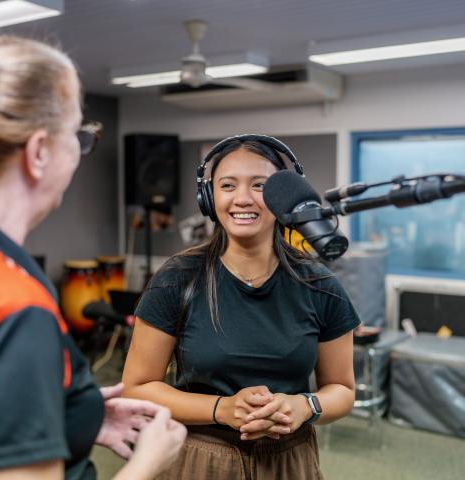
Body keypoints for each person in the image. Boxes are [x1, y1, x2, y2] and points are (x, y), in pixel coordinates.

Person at [0, 36, 186, 480]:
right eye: (78, 134)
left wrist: (73, 414)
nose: (79, 150)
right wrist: (149, 463)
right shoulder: (11, 311)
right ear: (38, 152)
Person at [122, 134, 360, 479]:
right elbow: (137, 386)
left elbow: (342, 389)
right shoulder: (178, 278)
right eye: (228, 185)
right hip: (199, 458)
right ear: (209, 197)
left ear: (284, 198)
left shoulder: (320, 285)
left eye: (261, 186)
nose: (243, 199)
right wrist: (221, 408)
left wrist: (305, 406)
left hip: (289, 460)